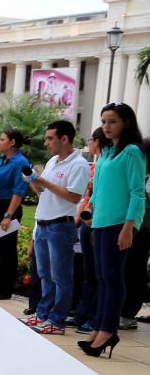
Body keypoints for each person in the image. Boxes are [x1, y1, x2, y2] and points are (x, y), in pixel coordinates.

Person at [81, 103, 146, 358]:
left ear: (126, 123)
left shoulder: (131, 152)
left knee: (113, 277)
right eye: (104, 121)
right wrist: (91, 213)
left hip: (119, 223)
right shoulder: (106, 152)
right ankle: (99, 327)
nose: (106, 127)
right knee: (102, 278)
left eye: (112, 122)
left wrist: (129, 227)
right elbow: (97, 189)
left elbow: (137, 193)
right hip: (101, 222)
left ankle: (108, 330)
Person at [20, 121, 90, 335]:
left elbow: (73, 196)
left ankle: (57, 320)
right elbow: (46, 194)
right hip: (43, 223)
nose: (46, 142)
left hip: (60, 225)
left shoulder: (78, 164)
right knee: (44, 274)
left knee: (61, 277)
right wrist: (34, 181)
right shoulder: (52, 161)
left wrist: (45, 182)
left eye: (50, 138)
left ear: (65, 139)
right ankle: (43, 315)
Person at [0, 129, 30, 300]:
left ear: (12, 143)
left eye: (2, 139)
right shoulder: (4, 159)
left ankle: (4, 289)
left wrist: (8, 215)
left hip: (8, 207)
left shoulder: (20, 162)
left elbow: (19, 190)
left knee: (7, 249)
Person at [71, 128, 107, 333]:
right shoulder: (97, 165)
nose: (89, 143)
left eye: (91, 139)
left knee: (99, 274)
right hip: (87, 220)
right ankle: (82, 313)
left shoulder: (106, 164)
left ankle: (94, 317)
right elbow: (88, 196)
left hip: (98, 222)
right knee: (89, 274)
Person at [119, 138, 150, 330]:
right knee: (126, 268)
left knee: (135, 270)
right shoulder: (141, 173)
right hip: (134, 226)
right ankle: (123, 310)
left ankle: (128, 313)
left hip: (144, 230)